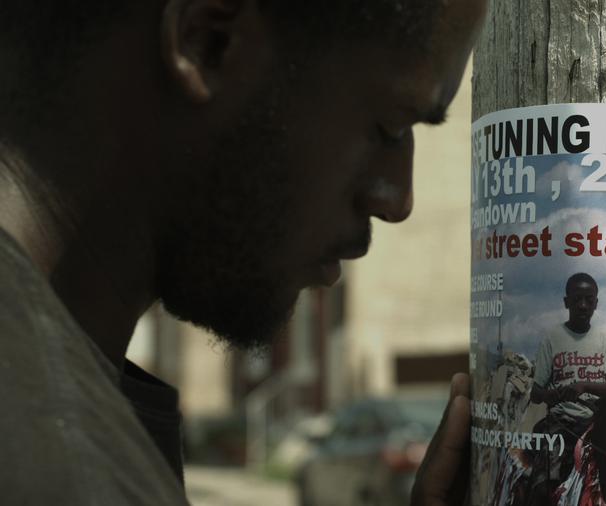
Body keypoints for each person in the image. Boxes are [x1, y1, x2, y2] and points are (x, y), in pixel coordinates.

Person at [0, 1, 485, 504]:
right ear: (208, 42)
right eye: (389, 127)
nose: (396, 200)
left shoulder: (67, 415)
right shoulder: (56, 469)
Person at [527, 273, 606, 503]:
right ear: (566, 302)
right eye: (577, 299)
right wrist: (557, 395)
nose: (583, 305)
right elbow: (536, 393)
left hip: (596, 423)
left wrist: (582, 387)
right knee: (541, 484)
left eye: (589, 299)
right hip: (562, 424)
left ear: (596, 303)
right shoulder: (553, 337)